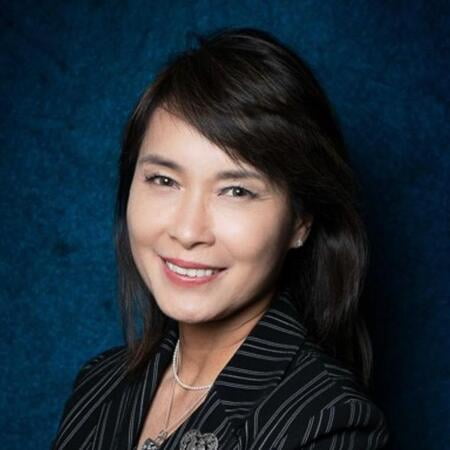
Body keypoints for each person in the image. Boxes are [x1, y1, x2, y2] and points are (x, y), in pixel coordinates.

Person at [51, 27, 389, 449]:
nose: (187, 231)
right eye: (164, 180)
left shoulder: (329, 421)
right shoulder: (98, 385)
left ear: (301, 222)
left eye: (236, 191)